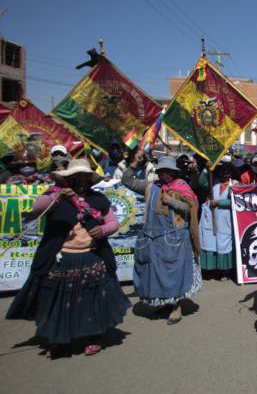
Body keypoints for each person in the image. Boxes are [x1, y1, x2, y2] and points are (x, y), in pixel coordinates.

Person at [6, 159, 130, 356]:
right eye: (76, 177)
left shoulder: (97, 199)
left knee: (92, 301)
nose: (81, 180)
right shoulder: (55, 197)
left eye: (85, 177)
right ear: (69, 178)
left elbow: (113, 222)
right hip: (62, 259)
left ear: (90, 179)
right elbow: (37, 208)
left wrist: (103, 229)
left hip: (91, 257)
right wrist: (57, 196)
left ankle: (94, 336)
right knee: (61, 303)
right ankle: (62, 340)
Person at [122, 151, 202, 325]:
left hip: (174, 238)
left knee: (174, 272)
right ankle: (166, 302)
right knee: (157, 273)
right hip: (153, 239)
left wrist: (171, 201)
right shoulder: (151, 187)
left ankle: (176, 307)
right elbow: (127, 181)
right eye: (162, 171)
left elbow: (191, 209)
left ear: (174, 172)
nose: (165, 174)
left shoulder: (182, 187)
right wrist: (134, 164)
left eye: (168, 171)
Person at [199, 156, 238, 279]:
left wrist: (219, 203)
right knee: (212, 244)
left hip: (226, 220)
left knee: (225, 245)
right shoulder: (213, 182)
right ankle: (213, 270)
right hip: (212, 219)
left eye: (227, 171)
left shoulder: (236, 184)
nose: (225, 174)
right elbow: (201, 183)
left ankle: (226, 271)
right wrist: (206, 170)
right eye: (222, 170)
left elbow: (236, 202)